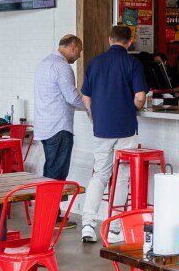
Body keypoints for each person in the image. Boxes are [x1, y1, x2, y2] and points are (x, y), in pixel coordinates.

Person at [79, 24, 148, 243]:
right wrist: (132, 107)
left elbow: (86, 97)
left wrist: (94, 116)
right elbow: (139, 98)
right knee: (121, 177)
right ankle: (115, 229)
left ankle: (88, 224)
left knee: (99, 175)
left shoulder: (95, 63)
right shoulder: (133, 63)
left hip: (102, 129)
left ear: (109, 39)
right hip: (126, 128)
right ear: (129, 42)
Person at [33, 34, 84, 182]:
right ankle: (49, 205)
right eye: (79, 51)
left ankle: (48, 205)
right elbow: (72, 97)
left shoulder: (44, 63)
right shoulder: (62, 66)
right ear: (72, 47)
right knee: (56, 174)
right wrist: (91, 105)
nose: (79, 56)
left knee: (51, 169)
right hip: (59, 128)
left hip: (45, 126)